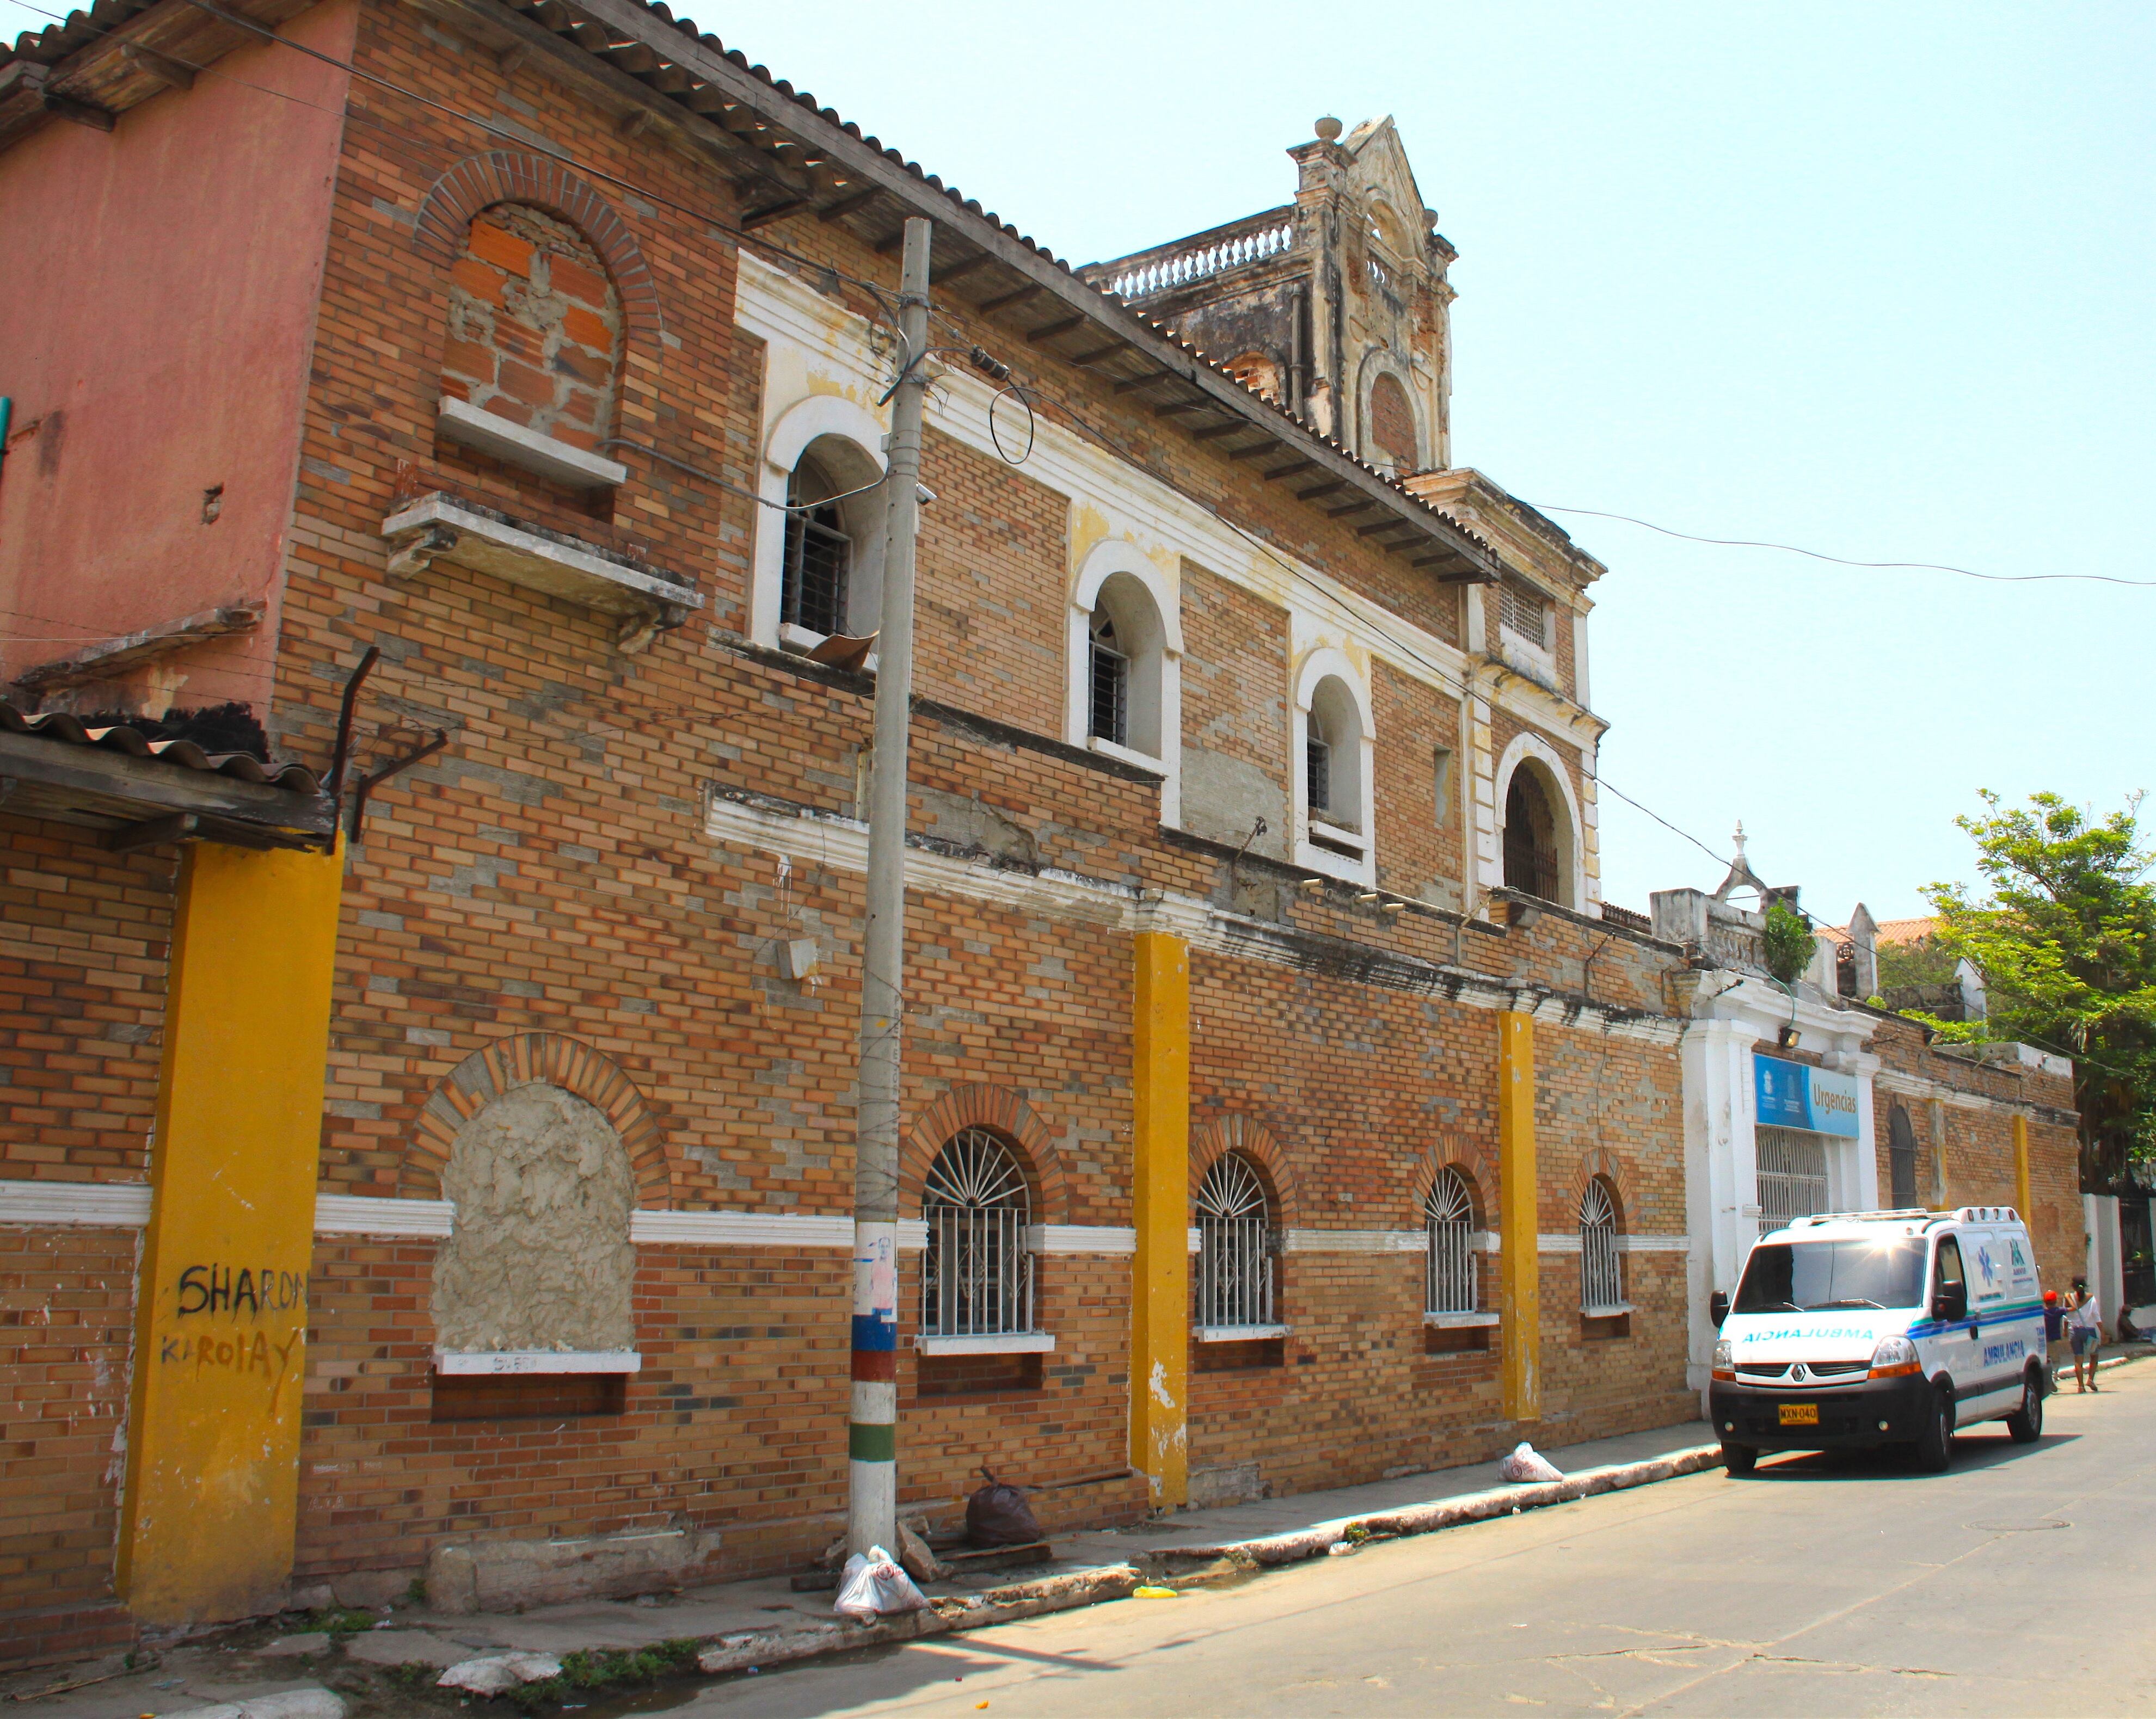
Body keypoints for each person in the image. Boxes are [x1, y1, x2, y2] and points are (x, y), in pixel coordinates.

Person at [2067, 1278, 2103, 1393]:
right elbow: (2096, 1316)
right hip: (2089, 1332)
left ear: (2073, 1286)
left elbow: (2066, 1316)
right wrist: (2103, 1332)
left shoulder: (2069, 1298)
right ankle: (2091, 1379)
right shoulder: (2091, 1298)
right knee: (2094, 1356)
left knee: (2078, 1359)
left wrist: (2064, 1330)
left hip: (2074, 1332)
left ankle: (2080, 1386)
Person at [2043, 1289, 2068, 1389]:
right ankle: (2053, 1378)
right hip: (2054, 1341)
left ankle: (2049, 1379)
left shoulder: (2043, 1312)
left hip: (2044, 1340)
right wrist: (2068, 1298)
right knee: (2056, 1361)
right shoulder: (2059, 1311)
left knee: (2046, 1360)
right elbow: (2073, 1308)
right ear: (2055, 1301)